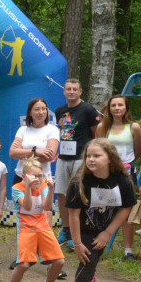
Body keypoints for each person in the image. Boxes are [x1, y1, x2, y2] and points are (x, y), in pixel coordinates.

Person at [65, 139, 136, 282]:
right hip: (84, 230)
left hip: (104, 229)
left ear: (110, 159)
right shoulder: (79, 182)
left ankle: (89, 280)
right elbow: (73, 214)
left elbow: (126, 208)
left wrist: (107, 233)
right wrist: (78, 244)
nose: (91, 159)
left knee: (93, 260)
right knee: (87, 262)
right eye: (88, 155)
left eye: (97, 155)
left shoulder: (122, 181)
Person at [2, 157, 66, 282]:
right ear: (24, 176)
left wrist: (50, 189)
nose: (37, 179)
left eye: (40, 175)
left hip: (43, 226)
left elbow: (46, 207)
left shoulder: (43, 185)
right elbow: (28, 206)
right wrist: (29, 188)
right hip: (26, 228)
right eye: (34, 176)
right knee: (24, 264)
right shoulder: (17, 187)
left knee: (59, 261)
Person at [94, 94, 141, 260]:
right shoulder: (103, 127)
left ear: (126, 108)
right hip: (106, 173)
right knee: (103, 208)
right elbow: (97, 149)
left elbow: (138, 151)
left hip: (127, 172)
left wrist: (126, 164)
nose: (117, 108)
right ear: (109, 108)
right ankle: (97, 244)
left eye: (120, 105)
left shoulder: (134, 127)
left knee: (126, 210)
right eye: (113, 105)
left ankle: (128, 250)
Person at [54, 79, 101, 249]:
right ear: (64, 92)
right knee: (61, 193)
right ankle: (66, 230)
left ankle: (78, 233)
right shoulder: (60, 111)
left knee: (78, 193)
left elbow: (97, 133)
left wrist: (93, 156)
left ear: (80, 92)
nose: (71, 91)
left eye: (75, 89)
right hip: (63, 157)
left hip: (81, 157)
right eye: (68, 89)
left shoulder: (88, 110)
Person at [9, 98, 59, 182]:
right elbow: (13, 153)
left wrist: (22, 154)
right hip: (21, 177)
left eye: (44, 109)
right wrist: (35, 151)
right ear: (30, 112)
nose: (41, 112)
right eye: (37, 109)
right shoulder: (23, 129)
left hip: (41, 178)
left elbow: (49, 156)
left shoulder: (53, 130)